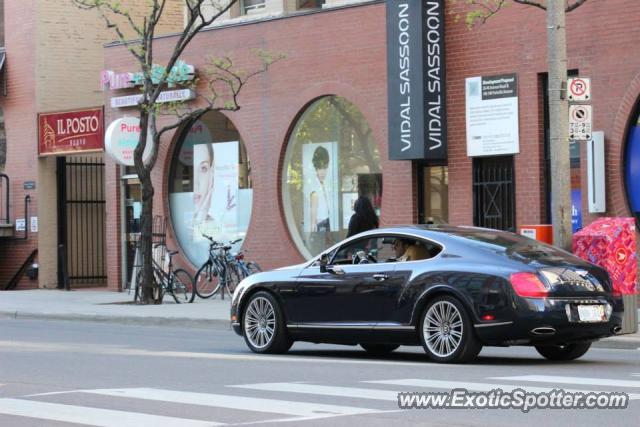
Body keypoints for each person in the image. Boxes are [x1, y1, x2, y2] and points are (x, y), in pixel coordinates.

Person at [309, 146, 331, 232]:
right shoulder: (315, 186)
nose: (322, 172)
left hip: (326, 221)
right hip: (320, 223)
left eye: (325, 168)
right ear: (316, 168)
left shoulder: (324, 184)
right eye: (319, 168)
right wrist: (313, 224)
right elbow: (313, 207)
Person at [193, 143, 215, 226]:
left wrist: (202, 215)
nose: (195, 184)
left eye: (203, 168)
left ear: (211, 175)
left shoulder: (221, 233)